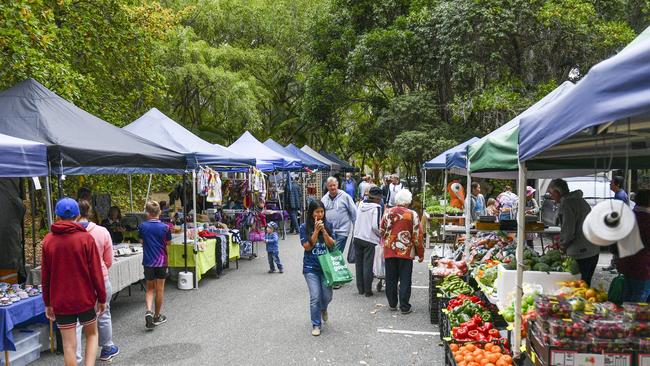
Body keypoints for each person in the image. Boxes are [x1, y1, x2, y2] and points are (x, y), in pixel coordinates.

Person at [42, 198, 106, 366]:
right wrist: (102, 298)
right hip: (84, 298)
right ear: (78, 215)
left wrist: (47, 303)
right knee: (92, 334)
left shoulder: (48, 241)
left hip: (61, 300)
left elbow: (46, 276)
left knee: (69, 345)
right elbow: (96, 273)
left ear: (57, 215)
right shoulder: (85, 239)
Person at [75, 201, 119, 362]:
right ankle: (107, 347)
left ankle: (76, 358)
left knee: (77, 320)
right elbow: (109, 260)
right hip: (100, 277)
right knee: (103, 312)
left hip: (79, 281)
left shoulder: (69, 234)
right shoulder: (102, 231)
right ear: (90, 212)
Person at [547, 179, 600, 286]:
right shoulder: (580, 200)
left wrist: (562, 246)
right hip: (593, 250)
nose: (551, 197)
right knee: (585, 285)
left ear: (557, 193)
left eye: (551, 193)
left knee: (577, 287)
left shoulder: (567, 204)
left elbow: (568, 231)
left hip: (581, 252)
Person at [380, 189, 424, 314]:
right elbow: (417, 235)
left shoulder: (388, 213)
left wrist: (389, 239)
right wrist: (420, 253)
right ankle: (404, 306)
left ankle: (392, 303)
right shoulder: (412, 214)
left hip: (390, 250)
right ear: (408, 201)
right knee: (405, 278)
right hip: (405, 251)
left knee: (391, 278)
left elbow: (381, 230)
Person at [299, 200, 336, 336]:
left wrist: (324, 231)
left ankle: (323, 308)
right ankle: (316, 324)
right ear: (311, 213)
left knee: (327, 296)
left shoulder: (329, 225)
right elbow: (308, 247)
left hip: (326, 268)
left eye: (322, 211)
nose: (320, 214)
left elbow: (332, 245)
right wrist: (315, 231)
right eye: (317, 212)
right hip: (311, 267)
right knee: (315, 297)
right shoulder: (304, 227)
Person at [139, 201, 172, 330]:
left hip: (148, 261)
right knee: (160, 289)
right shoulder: (165, 227)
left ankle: (148, 310)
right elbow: (168, 243)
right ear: (159, 212)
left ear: (147, 213)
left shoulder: (142, 226)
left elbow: (141, 240)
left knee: (150, 289)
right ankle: (157, 316)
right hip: (161, 261)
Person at [616, 189, 650, 302]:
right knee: (638, 299)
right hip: (642, 266)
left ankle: (623, 318)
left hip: (625, 263)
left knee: (627, 295)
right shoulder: (647, 219)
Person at [352, 187, 383, 297]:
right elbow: (376, 225)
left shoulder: (360, 204)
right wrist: (381, 235)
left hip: (357, 236)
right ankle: (368, 291)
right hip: (369, 239)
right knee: (368, 265)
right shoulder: (377, 207)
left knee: (359, 264)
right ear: (377, 198)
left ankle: (360, 289)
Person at [321, 176, 357, 256]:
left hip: (342, 231)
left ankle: (334, 268)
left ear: (337, 185)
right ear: (327, 187)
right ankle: (335, 268)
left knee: (335, 253)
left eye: (334, 185)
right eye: (330, 186)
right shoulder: (324, 199)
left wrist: (356, 229)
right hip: (329, 231)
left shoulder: (345, 197)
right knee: (332, 254)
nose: (332, 187)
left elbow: (354, 213)